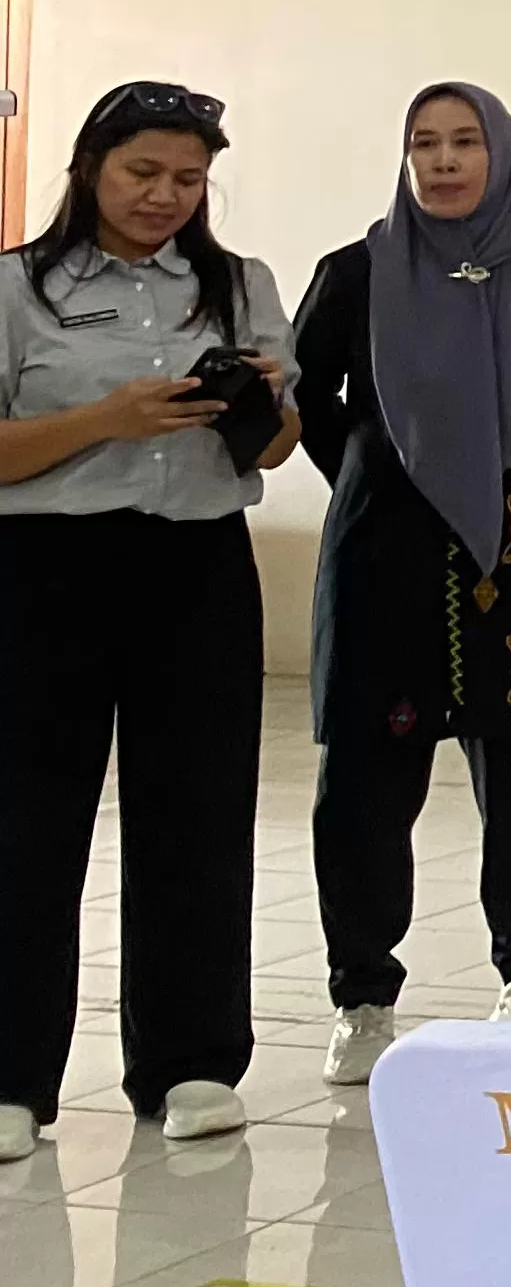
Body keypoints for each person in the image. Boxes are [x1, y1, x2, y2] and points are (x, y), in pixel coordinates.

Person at [291, 83, 511, 1085]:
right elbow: (307, 389)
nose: (442, 161)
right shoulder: (357, 272)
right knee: (362, 784)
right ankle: (361, 993)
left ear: (500, 151)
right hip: (384, 559)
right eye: (423, 143)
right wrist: (376, 472)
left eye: (463, 141)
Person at [0, 82, 295, 1158]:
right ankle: (12, 1077)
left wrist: (261, 402)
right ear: (90, 167)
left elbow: (270, 451)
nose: (166, 196)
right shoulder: (19, 288)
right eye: (144, 173)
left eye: (188, 178)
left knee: (199, 817)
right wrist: (103, 420)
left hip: (196, 565)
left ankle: (193, 1062)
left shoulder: (238, 283)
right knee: (28, 823)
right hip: (44, 569)